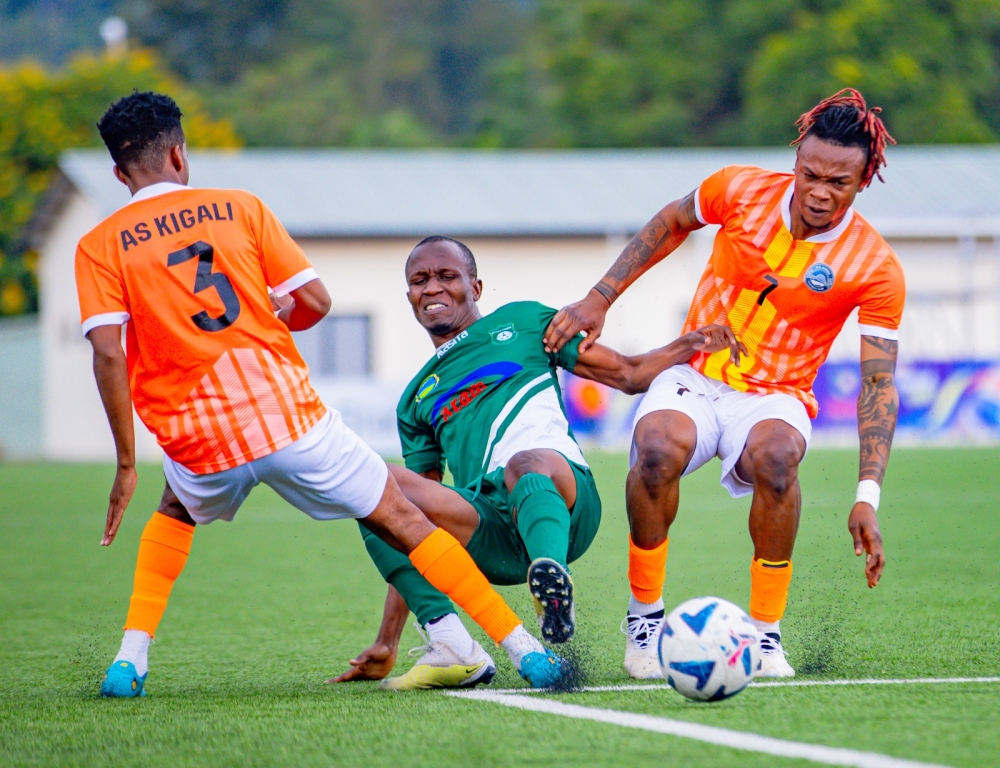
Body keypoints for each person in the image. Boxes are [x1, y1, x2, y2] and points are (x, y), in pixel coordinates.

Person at [78, 91, 548, 697]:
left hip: (198, 432)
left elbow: (109, 351)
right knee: (400, 517)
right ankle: (526, 651)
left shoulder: (99, 244)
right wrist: (277, 313)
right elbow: (316, 302)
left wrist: (123, 461)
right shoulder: (239, 207)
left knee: (173, 512)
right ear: (179, 153)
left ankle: (129, 662)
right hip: (285, 415)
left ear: (119, 172)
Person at [543, 89, 905, 679]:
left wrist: (867, 495)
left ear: (862, 182)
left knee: (780, 458)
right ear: (796, 162)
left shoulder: (875, 266)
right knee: (656, 451)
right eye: (809, 173)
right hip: (695, 373)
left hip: (776, 395)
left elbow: (879, 382)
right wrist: (598, 298)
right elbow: (671, 221)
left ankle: (764, 637)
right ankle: (645, 621)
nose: (818, 190)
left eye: (837, 183)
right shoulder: (738, 188)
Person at [332, 236, 741, 689]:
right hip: (489, 529)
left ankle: (550, 590)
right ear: (408, 294)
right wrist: (387, 639)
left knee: (525, 464)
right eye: (419, 280)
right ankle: (448, 641)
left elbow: (627, 374)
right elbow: (404, 522)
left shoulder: (525, 322)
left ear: (476, 286)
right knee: (368, 488)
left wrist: (691, 343)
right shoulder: (415, 397)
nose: (432, 289)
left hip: (563, 503)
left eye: (447, 277)